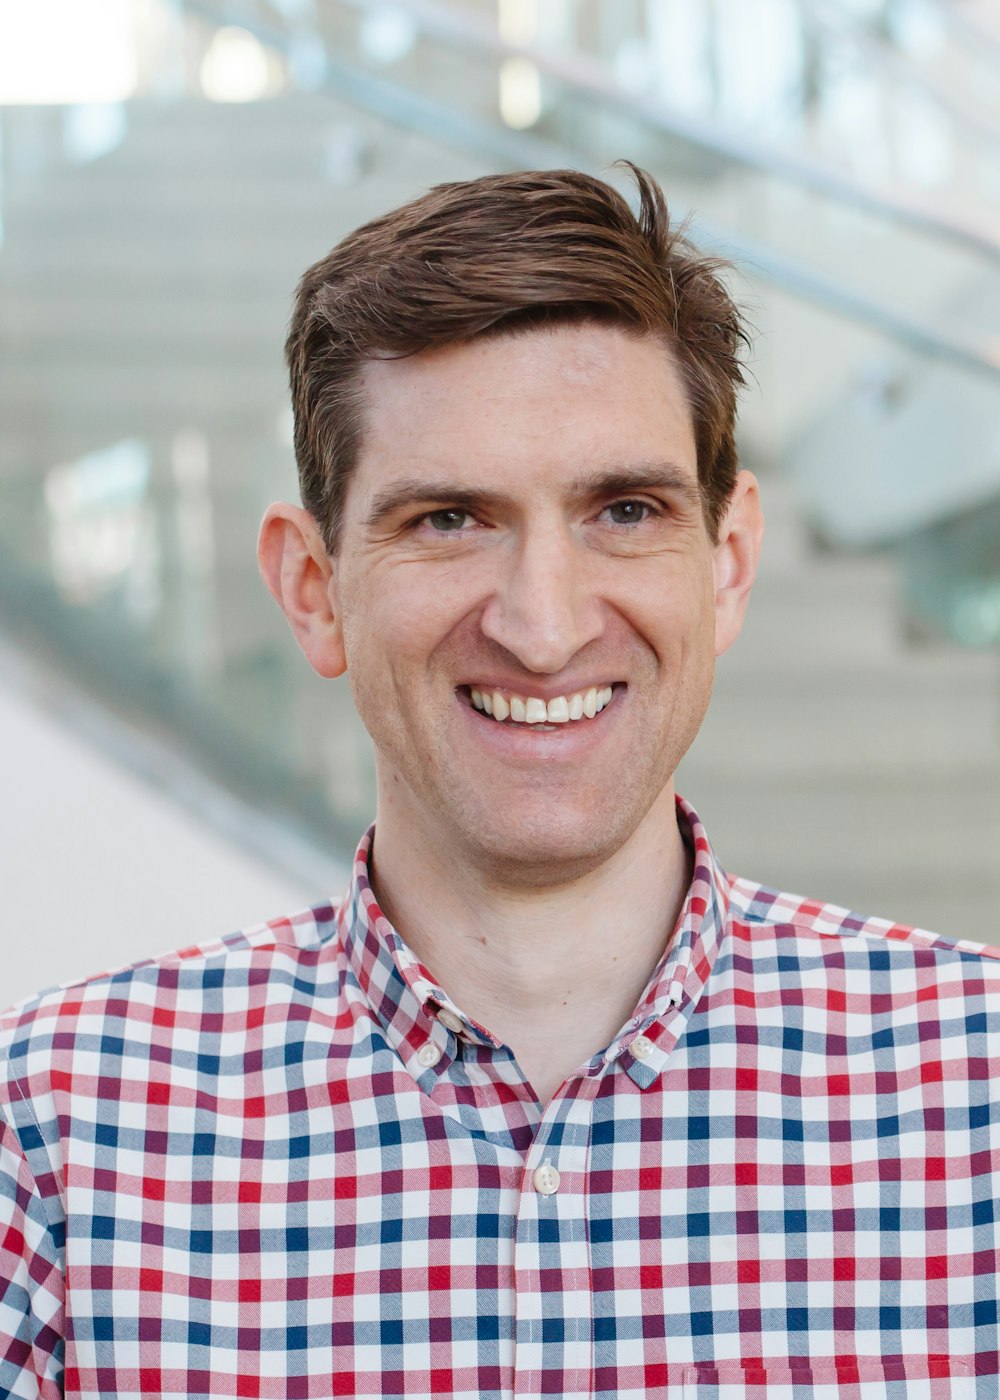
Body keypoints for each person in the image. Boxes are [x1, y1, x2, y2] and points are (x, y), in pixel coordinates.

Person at [1, 165, 997, 1400]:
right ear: (313, 590)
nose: (542, 625)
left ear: (728, 562)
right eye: (449, 519)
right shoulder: (56, 1131)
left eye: (623, 510)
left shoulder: (979, 1092)